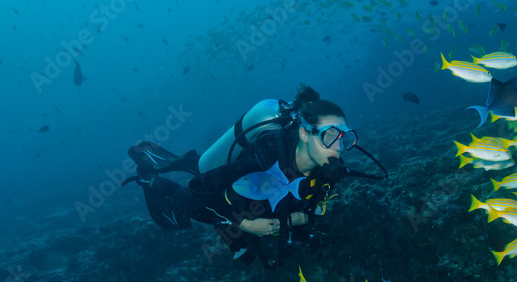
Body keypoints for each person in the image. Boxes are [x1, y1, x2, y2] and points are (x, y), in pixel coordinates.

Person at [123, 86, 373, 268]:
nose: (338, 147)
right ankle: (149, 178)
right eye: (330, 135)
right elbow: (196, 189)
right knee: (179, 211)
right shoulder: (266, 155)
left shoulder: (325, 167)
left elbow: (316, 209)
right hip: (220, 195)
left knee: (252, 255)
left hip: (254, 203)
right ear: (305, 134)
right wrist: (244, 224)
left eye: (345, 138)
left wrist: (298, 219)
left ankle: (189, 161)